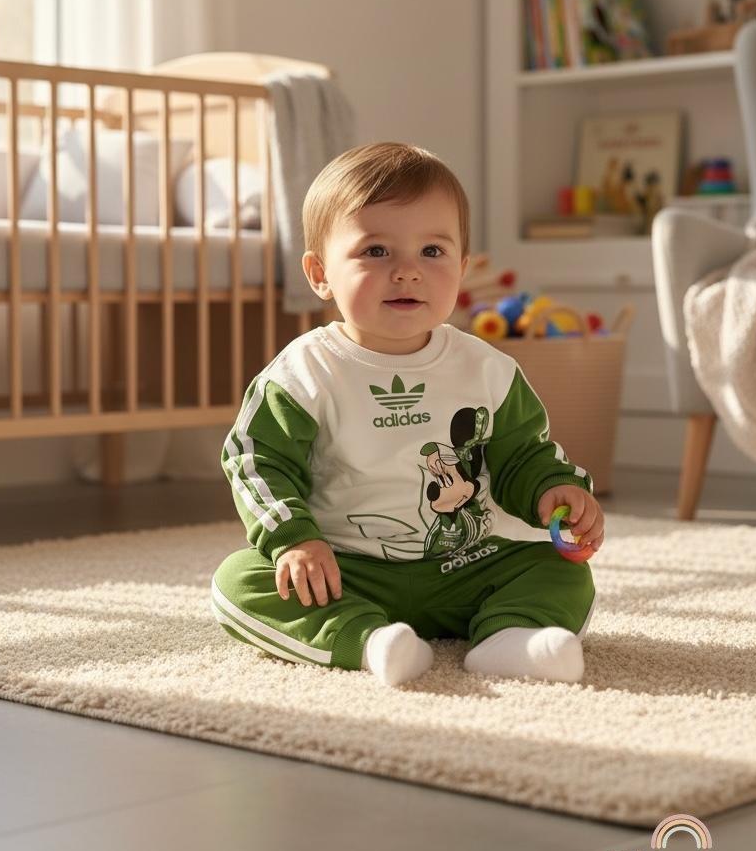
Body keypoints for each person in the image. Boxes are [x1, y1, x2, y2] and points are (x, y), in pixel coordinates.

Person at [212, 142, 604, 687]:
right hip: (344, 569)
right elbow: (256, 461)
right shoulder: (303, 373)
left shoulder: (488, 369)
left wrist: (553, 490)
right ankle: (370, 641)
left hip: (469, 563)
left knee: (560, 571)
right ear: (320, 272)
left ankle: (512, 639)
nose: (407, 272)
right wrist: (296, 541)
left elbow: (522, 455)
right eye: (376, 251)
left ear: (461, 268)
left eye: (432, 251)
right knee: (239, 581)